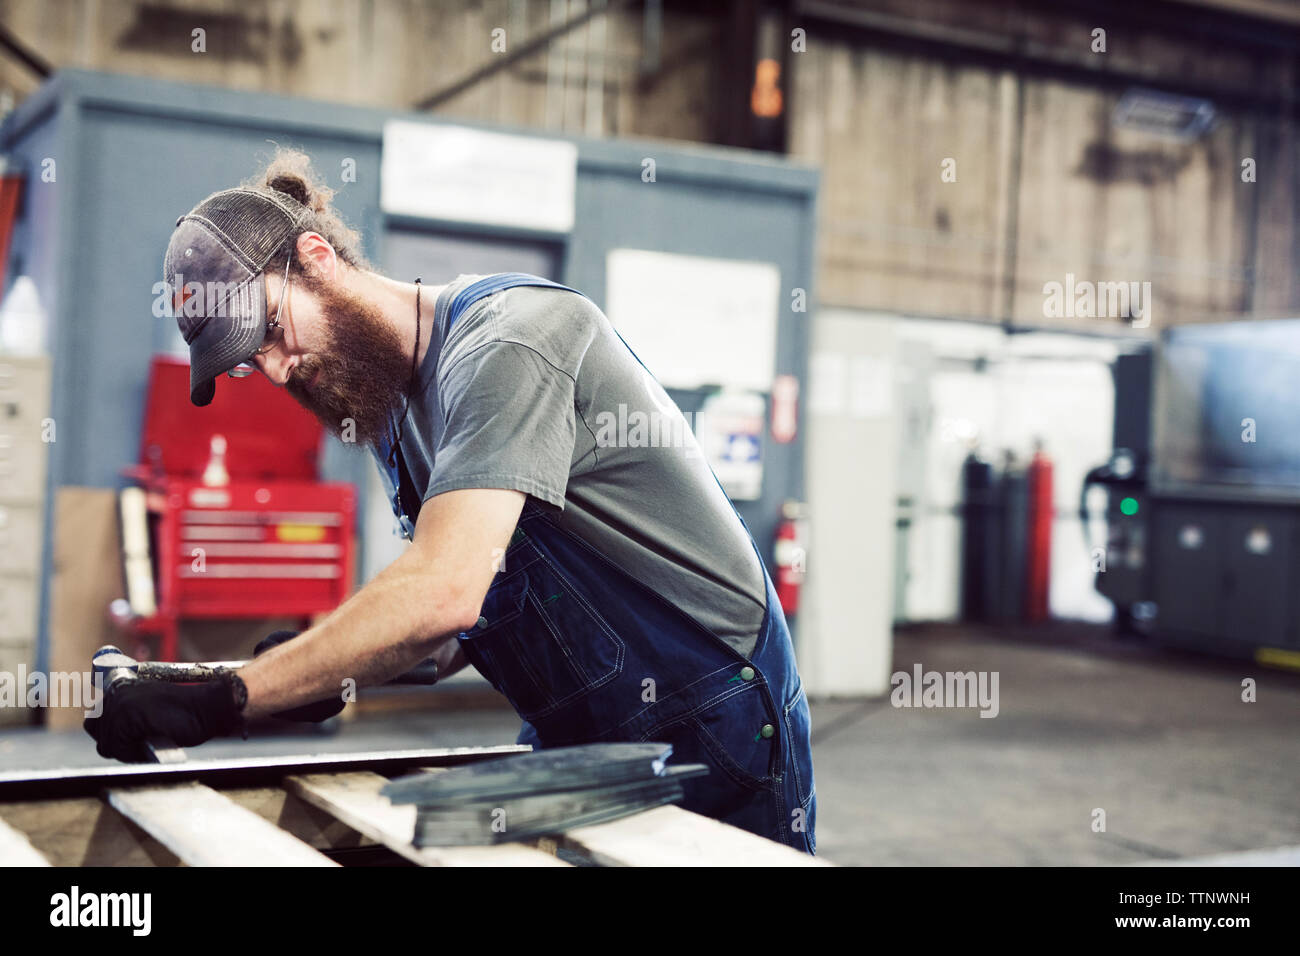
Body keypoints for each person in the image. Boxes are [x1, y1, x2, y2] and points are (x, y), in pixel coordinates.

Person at [86, 149, 816, 853]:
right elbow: (452, 634)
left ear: (315, 256)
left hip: (714, 711)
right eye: (252, 363)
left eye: (272, 330)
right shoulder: (389, 416)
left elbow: (443, 592)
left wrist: (231, 699)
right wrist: (289, 673)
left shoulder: (510, 344)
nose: (277, 369)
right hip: (590, 734)